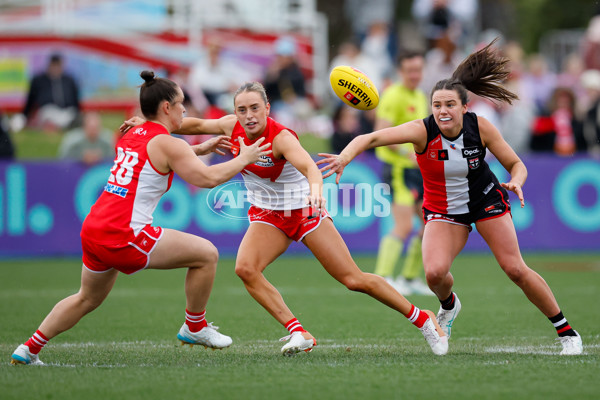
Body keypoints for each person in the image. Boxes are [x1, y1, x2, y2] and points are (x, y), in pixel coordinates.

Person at [132, 81, 449, 356]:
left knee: (354, 279)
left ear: (267, 108)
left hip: (305, 212)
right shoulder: (231, 127)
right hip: (268, 216)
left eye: (255, 108)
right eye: (242, 110)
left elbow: (310, 167)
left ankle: (422, 318)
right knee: (245, 268)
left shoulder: (281, 138)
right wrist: (145, 123)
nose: (249, 116)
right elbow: (189, 125)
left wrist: (316, 191)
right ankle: (300, 332)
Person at [318, 40, 583, 356]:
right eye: (437, 105)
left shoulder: (480, 127)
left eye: (449, 105)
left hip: (485, 200)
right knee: (434, 274)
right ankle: (449, 305)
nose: (442, 111)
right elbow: (370, 137)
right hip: (444, 209)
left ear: (464, 107)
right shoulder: (422, 131)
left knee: (515, 269)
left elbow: (516, 164)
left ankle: (567, 332)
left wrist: (517, 181)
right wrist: (345, 157)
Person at [10, 71, 271, 365]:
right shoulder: (167, 142)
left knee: (86, 298)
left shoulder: (134, 132)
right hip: (124, 233)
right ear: (166, 108)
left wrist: (200, 147)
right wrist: (245, 158)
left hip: (95, 228)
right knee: (207, 255)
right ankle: (195, 326)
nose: (185, 109)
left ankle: (28, 349)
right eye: (181, 103)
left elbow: (163, 157)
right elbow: (207, 178)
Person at [373, 50, 434, 296]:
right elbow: (381, 134)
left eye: (418, 70)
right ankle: (383, 277)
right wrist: (406, 153)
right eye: (410, 70)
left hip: (417, 170)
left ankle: (409, 277)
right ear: (401, 71)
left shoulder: (420, 96)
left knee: (429, 223)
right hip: (398, 169)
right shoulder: (393, 95)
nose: (415, 75)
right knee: (404, 225)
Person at [20, 53, 81, 132]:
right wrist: (24, 116)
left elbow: (75, 101)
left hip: (67, 112)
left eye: (58, 65)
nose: (56, 68)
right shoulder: (39, 80)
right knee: (48, 114)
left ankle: (63, 126)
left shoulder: (69, 80)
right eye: (54, 65)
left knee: (73, 115)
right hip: (48, 111)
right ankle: (52, 127)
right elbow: (30, 100)